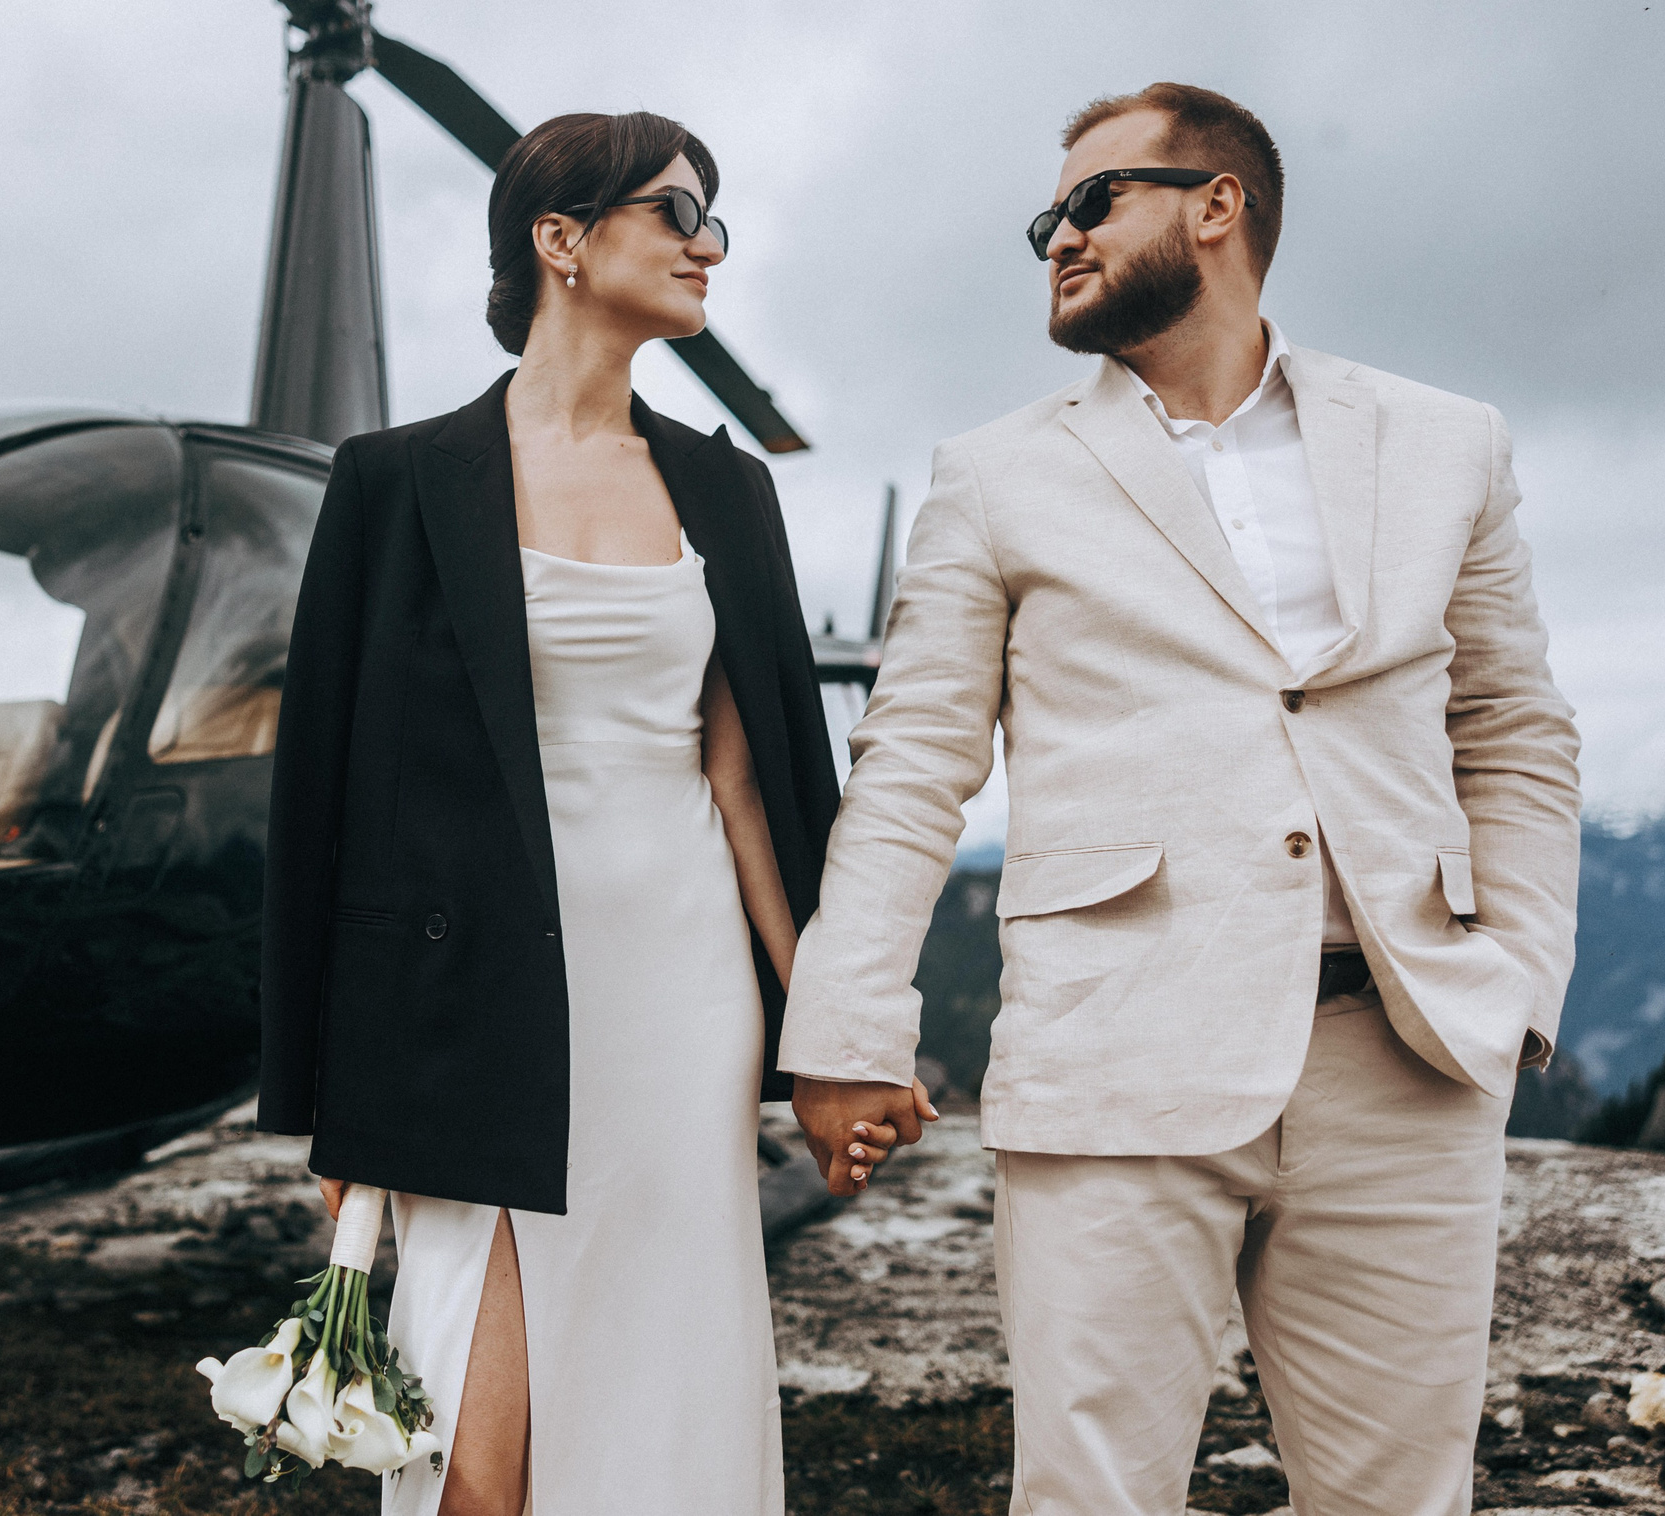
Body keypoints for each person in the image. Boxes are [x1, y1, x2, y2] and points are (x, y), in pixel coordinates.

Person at [782, 82, 1581, 1515]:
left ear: (1219, 208)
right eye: (1047, 218)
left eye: (1094, 201)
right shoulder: (993, 476)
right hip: (1115, 1064)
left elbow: (1513, 728)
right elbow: (909, 768)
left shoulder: (1447, 439)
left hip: (1403, 1061)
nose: (1059, 237)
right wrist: (846, 1027)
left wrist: (1517, 981)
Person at [258, 110, 865, 1515]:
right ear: (563, 241)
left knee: (662, 1390)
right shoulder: (393, 484)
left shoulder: (728, 489)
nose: (709, 244)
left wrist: (835, 1030)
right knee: (475, 1460)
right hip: (461, 1008)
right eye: (676, 212)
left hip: (680, 997)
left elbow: (756, 783)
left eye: (716, 218)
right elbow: (322, 804)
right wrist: (324, 1107)